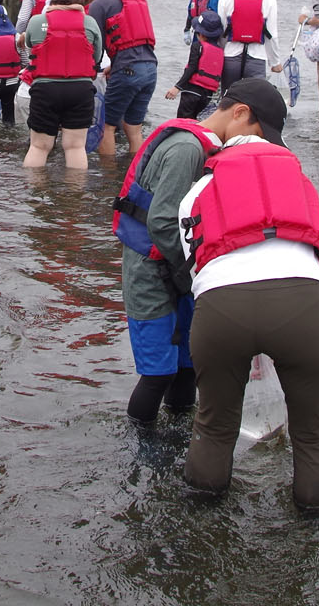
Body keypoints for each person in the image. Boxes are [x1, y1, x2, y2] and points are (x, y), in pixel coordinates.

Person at [177, 79, 319, 513]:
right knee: (315, 431)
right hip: (304, 303)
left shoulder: (197, 190)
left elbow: (196, 269)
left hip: (221, 305)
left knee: (213, 426)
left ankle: (201, 515)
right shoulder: (303, 187)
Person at [113, 109, 225, 424]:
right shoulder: (186, 149)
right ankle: (144, 450)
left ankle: (179, 439)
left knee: (188, 366)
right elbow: (161, 223)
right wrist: (197, 272)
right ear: (241, 116)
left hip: (179, 269)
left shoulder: (201, 146)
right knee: (158, 374)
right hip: (150, 270)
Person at [22, 0, 105, 169]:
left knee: (39, 146)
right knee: (76, 147)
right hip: (80, 90)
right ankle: (74, 196)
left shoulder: (37, 21)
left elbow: (29, 50)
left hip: (45, 90)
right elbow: (97, 56)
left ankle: (33, 196)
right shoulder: (90, 23)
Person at [87, 0, 158, 158]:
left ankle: (109, 180)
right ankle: (133, 173)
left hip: (128, 69)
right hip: (150, 67)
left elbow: (93, 45)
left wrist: (90, 71)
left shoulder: (100, 3)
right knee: (133, 126)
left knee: (106, 127)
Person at [214, 0, 279, 95]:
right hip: (257, 57)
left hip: (231, 56)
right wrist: (274, 62)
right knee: (256, 100)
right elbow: (272, 35)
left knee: (229, 99)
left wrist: (218, 56)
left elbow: (221, 32)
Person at [165, 9, 226, 120]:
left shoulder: (198, 46)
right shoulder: (221, 51)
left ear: (201, 34)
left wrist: (177, 87)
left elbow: (192, 68)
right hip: (207, 96)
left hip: (191, 92)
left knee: (182, 122)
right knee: (194, 121)